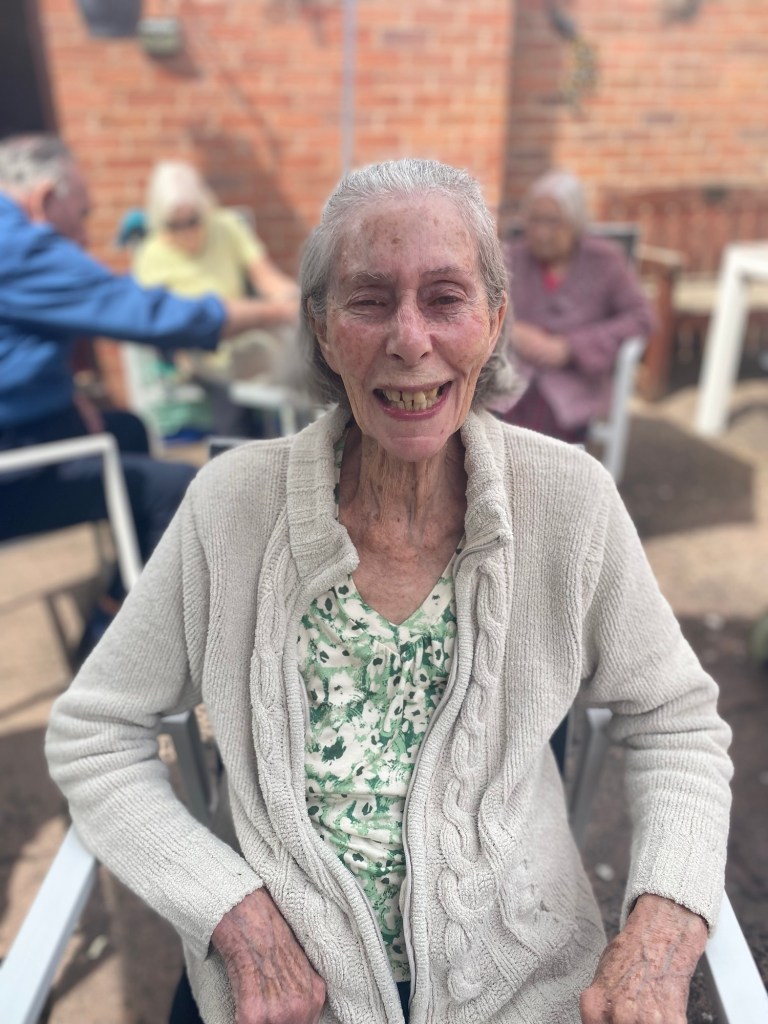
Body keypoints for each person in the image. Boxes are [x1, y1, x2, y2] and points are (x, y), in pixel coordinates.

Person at [45, 158, 732, 1024]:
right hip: (283, 990)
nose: (410, 340)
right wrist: (233, 916)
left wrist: (663, 931)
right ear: (323, 330)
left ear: (495, 320)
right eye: (369, 301)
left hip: (519, 976)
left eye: (446, 298)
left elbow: (677, 725)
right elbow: (93, 735)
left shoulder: (570, 502)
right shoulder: (230, 506)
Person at [0, 134, 296, 569]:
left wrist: (66, 393)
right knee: (178, 489)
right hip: (15, 461)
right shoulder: (17, 246)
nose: (84, 237)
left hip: (33, 424)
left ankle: (123, 585)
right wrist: (276, 312)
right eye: (82, 216)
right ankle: (153, 609)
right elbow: (151, 315)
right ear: (44, 200)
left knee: (130, 430)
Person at [133, 160, 299, 437]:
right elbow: (155, 322)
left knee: (298, 370)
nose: (186, 232)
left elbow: (267, 277)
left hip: (245, 337)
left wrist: (294, 297)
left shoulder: (226, 226)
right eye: (174, 225)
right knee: (230, 403)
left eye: (193, 221)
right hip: (196, 350)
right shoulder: (150, 255)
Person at [497, 169, 654, 442]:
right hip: (511, 370)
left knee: (541, 436)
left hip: (572, 379)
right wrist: (512, 330)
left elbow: (641, 318)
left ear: (575, 222)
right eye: (535, 220)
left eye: (553, 222)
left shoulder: (604, 261)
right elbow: (480, 306)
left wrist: (571, 347)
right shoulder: (511, 256)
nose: (542, 233)